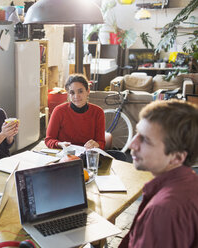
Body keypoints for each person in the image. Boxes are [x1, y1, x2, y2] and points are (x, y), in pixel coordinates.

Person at [119, 100, 198, 248]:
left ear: (177, 157)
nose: (132, 144)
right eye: (137, 133)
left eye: (146, 140)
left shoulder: (163, 211)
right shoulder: (191, 183)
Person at [45, 74, 105, 150]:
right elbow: (48, 140)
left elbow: (102, 143)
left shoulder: (98, 112)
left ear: (88, 91)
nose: (76, 96)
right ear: (68, 94)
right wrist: (59, 144)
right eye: (72, 93)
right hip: (64, 155)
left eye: (80, 91)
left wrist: (97, 144)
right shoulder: (59, 111)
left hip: (87, 155)